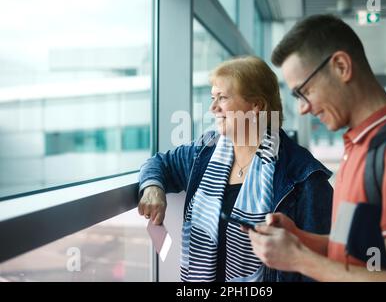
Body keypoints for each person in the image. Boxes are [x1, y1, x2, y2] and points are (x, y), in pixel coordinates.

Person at [248, 14, 386, 281]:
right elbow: (346, 245)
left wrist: (299, 259)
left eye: (303, 91)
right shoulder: (355, 147)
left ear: (341, 66)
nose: (303, 107)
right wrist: (299, 238)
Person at [138, 56, 333, 282]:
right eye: (213, 98)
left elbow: (318, 266)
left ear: (256, 106)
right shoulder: (204, 151)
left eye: (222, 98)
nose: (212, 108)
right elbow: (158, 163)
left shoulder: (303, 175)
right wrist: (152, 187)